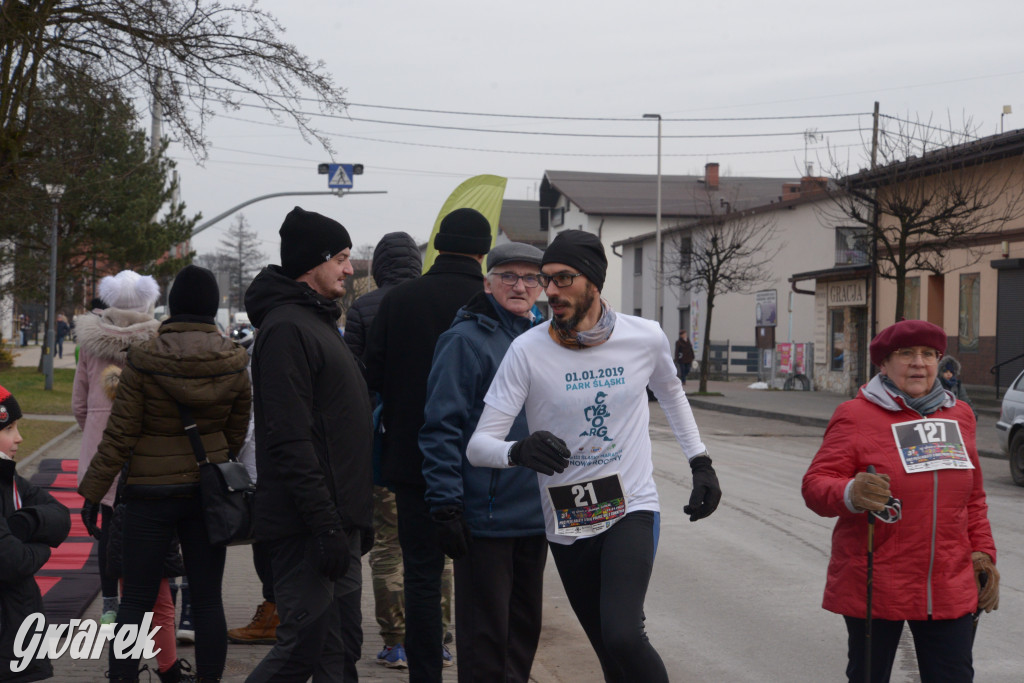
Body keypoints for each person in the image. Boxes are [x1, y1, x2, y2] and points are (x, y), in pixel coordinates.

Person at [466, 230, 721, 683]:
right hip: (568, 518)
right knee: (609, 653)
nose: (551, 291)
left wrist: (700, 462)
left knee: (624, 634)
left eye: (564, 279)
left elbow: (673, 394)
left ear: (594, 282)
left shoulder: (644, 338)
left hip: (631, 506)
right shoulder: (527, 351)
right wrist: (518, 451)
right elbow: (479, 445)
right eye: (547, 280)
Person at [78, 264, 251, 683]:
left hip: (147, 495)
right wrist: (212, 461)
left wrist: (92, 492)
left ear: (172, 305)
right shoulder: (234, 361)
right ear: (213, 307)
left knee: (135, 598)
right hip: (205, 495)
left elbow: (120, 434)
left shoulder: (143, 358)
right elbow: (237, 432)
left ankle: (124, 678)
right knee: (209, 599)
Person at [802, 319, 999, 683]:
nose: (918, 362)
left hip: (948, 582)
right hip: (876, 582)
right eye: (905, 353)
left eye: (928, 354)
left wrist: (983, 552)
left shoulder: (960, 416)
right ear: (883, 365)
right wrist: (850, 493)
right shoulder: (855, 415)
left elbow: (973, 499)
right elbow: (815, 485)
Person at [363, 207, 493, 682]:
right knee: (479, 579)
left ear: (437, 245)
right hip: (483, 463)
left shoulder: (399, 301)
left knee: (419, 573)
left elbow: (371, 375)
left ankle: (424, 673)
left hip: (411, 460)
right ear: (483, 253)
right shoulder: (491, 302)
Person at [244, 207, 373, 683]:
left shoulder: (318, 323)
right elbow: (289, 438)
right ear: (312, 262)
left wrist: (356, 520)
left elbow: (339, 429)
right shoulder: (285, 329)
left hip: (339, 523)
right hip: (307, 527)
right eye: (340, 257)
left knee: (340, 655)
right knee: (303, 648)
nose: (349, 268)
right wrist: (324, 526)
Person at [420, 242, 548, 683]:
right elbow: (441, 427)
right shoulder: (464, 341)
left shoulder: (545, 339)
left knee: (523, 635)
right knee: (484, 641)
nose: (520, 285)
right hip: (485, 517)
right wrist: (446, 505)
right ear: (488, 282)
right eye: (509, 275)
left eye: (531, 277)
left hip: (537, 514)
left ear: (542, 286)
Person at [72, 270, 161, 626]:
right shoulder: (157, 342)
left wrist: (94, 429)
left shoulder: (90, 344)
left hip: (101, 450)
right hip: (144, 448)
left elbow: (79, 404)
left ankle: (109, 607)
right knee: (147, 530)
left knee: (107, 529)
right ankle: (143, 605)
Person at [0, 384, 72, 682]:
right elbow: (13, 562)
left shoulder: (9, 477)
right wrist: (44, 548)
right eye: (9, 428)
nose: (19, 438)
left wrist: (25, 526)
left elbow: (60, 515)